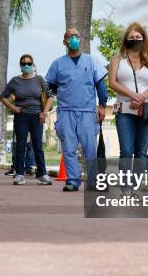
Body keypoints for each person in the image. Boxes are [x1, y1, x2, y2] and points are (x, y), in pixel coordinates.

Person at [45, 29, 108, 191]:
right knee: (68, 149)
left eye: (76, 36)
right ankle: (73, 181)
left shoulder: (91, 61)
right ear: (64, 41)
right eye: (69, 37)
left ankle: (94, 181)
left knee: (90, 149)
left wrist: (102, 106)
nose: (73, 39)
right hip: (65, 111)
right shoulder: (57, 64)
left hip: (87, 111)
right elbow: (50, 87)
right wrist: (55, 100)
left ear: (81, 40)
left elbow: (101, 85)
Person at [108, 23, 148, 192]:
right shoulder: (117, 59)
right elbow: (112, 83)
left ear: (144, 39)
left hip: (145, 110)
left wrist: (142, 97)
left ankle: (136, 188)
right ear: (126, 40)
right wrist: (132, 95)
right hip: (123, 110)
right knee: (126, 150)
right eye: (131, 37)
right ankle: (126, 189)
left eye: (138, 37)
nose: (135, 40)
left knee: (141, 152)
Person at [1, 54, 54, 185]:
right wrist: (13, 107)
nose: (26, 65)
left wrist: (44, 112)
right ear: (20, 65)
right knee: (21, 145)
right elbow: (3, 97)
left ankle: (42, 174)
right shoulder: (14, 81)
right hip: (21, 116)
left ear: (33, 64)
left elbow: (50, 96)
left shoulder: (39, 79)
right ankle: (19, 174)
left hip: (37, 116)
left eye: (29, 63)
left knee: (38, 146)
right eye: (23, 63)